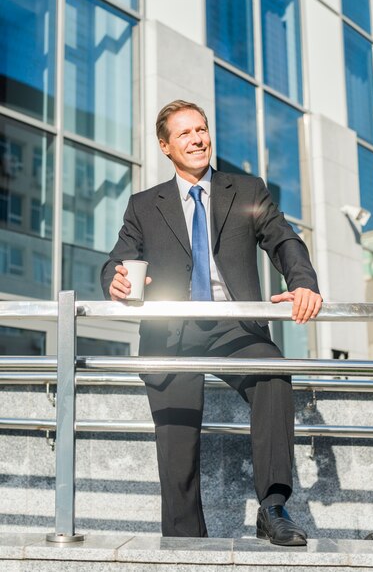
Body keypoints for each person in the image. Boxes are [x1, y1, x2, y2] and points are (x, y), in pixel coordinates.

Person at [101, 100, 322, 546]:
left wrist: (303, 282)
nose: (197, 139)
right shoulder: (144, 205)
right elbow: (116, 262)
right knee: (176, 442)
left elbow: (283, 240)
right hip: (172, 332)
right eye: (184, 133)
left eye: (201, 129)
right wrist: (116, 282)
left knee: (274, 373)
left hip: (234, 327)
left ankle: (273, 507)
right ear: (165, 146)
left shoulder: (246, 189)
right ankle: (185, 542)